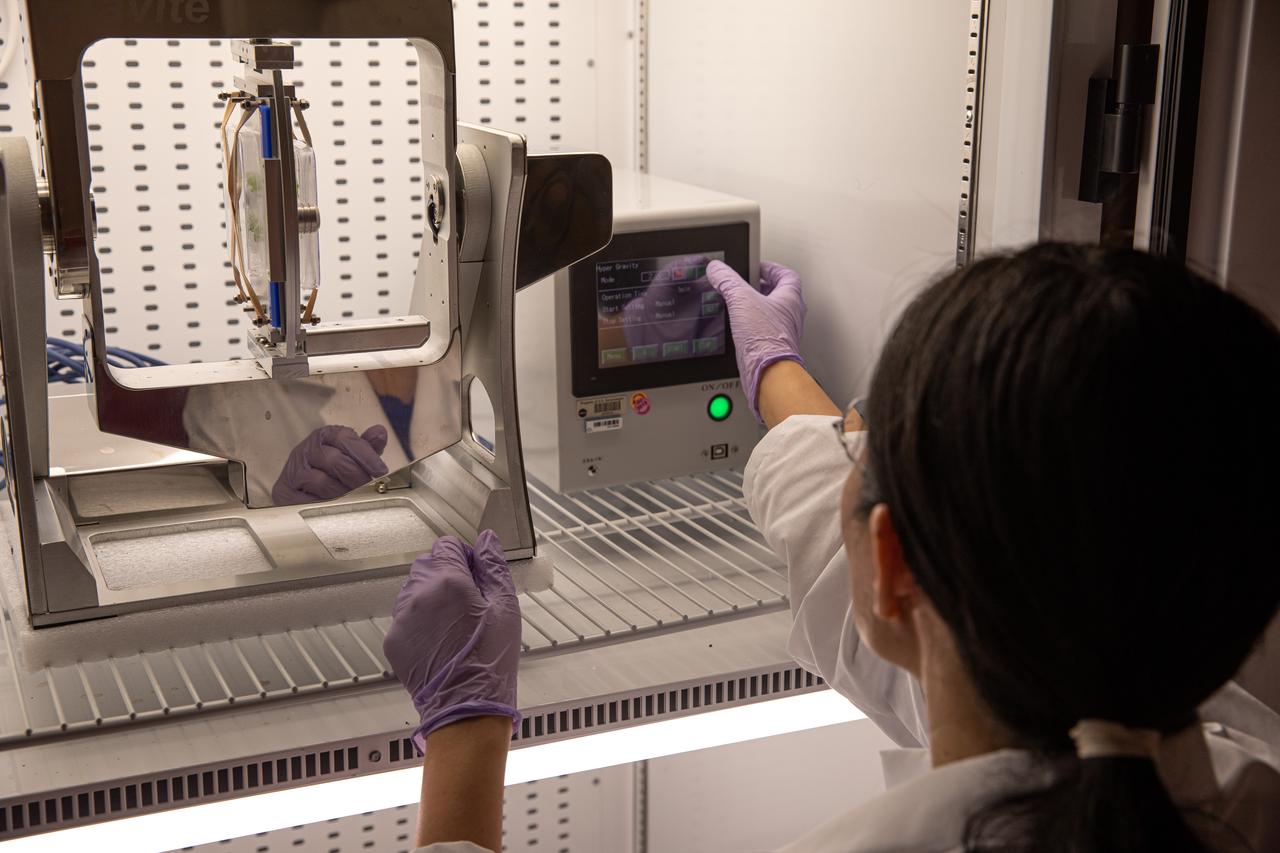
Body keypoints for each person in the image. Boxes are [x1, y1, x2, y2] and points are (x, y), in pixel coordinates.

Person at [383, 242, 1280, 851]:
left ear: (894, 568)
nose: (844, 446)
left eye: (864, 443)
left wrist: (463, 735)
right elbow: (859, 535)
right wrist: (775, 370)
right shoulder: (1239, 769)